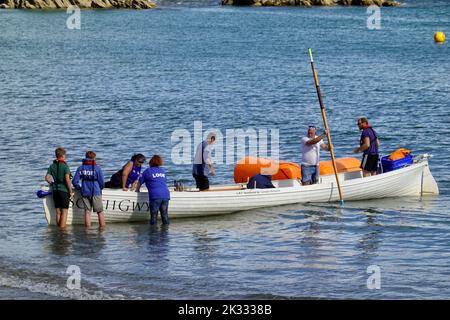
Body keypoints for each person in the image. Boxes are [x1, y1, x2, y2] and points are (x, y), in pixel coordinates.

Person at [72, 151, 105, 229]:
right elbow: (102, 182)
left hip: (85, 191)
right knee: (100, 212)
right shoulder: (97, 168)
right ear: (94, 158)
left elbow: (74, 181)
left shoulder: (81, 168)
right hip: (96, 191)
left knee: (87, 212)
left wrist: (78, 188)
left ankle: (88, 231)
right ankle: (102, 230)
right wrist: (100, 188)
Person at [136, 155, 170, 225]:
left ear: (150, 162)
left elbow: (140, 182)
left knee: (154, 217)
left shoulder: (147, 171)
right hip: (166, 194)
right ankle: (166, 234)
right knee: (165, 215)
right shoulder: (162, 171)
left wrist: (137, 190)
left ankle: (153, 234)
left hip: (155, 196)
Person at [45, 147, 73, 229]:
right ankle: (62, 230)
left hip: (55, 190)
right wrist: (70, 191)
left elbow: (46, 178)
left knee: (58, 212)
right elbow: (67, 180)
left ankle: (58, 229)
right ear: (63, 156)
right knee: (64, 211)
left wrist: (52, 183)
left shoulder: (52, 166)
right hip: (63, 190)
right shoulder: (65, 166)